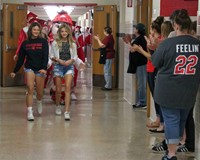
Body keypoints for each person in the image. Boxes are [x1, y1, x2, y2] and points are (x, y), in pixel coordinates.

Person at [151, 9, 200, 160]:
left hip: (169, 90)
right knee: (181, 119)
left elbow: (155, 62)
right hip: (189, 89)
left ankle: (171, 154)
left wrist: (154, 48)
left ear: (176, 25)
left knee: (171, 120)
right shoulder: (197, 44)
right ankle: (173, 147)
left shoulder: (168, 44)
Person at [10, 22, 49, 121]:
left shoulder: (44, 42)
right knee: (30, 88)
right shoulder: (25, 43)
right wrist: (14, 71)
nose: (36, 31)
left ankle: (39, 101)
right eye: (34, 29)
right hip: (29, 68)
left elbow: (45, 56)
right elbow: (21, 59)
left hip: (40, 68)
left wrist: (44, 68)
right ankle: (30, 111)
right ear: (30, 30)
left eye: (37, 30)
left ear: (40, 31)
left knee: (39, 92)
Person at [50, 23, 77, 121]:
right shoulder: (55, 43)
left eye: (66, 31)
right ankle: (57, 105)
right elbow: (51, 55)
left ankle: (67, 111)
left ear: (69, 32)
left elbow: (75, 56)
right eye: (62, 31)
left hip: (69, 67)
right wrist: (58, 60)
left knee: (67, 88)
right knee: (58, 90)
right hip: (58, 66)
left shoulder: (72, 43)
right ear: (59, 32)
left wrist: (71, 60)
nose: (64, 33)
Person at [127, 23, 147, 108]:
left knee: (141, 83)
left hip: (141, 64)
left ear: (138, 30)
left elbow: (133, 50)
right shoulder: (140, 38)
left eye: (135, 28)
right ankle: (140, 101)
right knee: (140, 83)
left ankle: (142, 102)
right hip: (139, 64)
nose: (134, 30)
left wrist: (129, 44)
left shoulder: (140, 39)